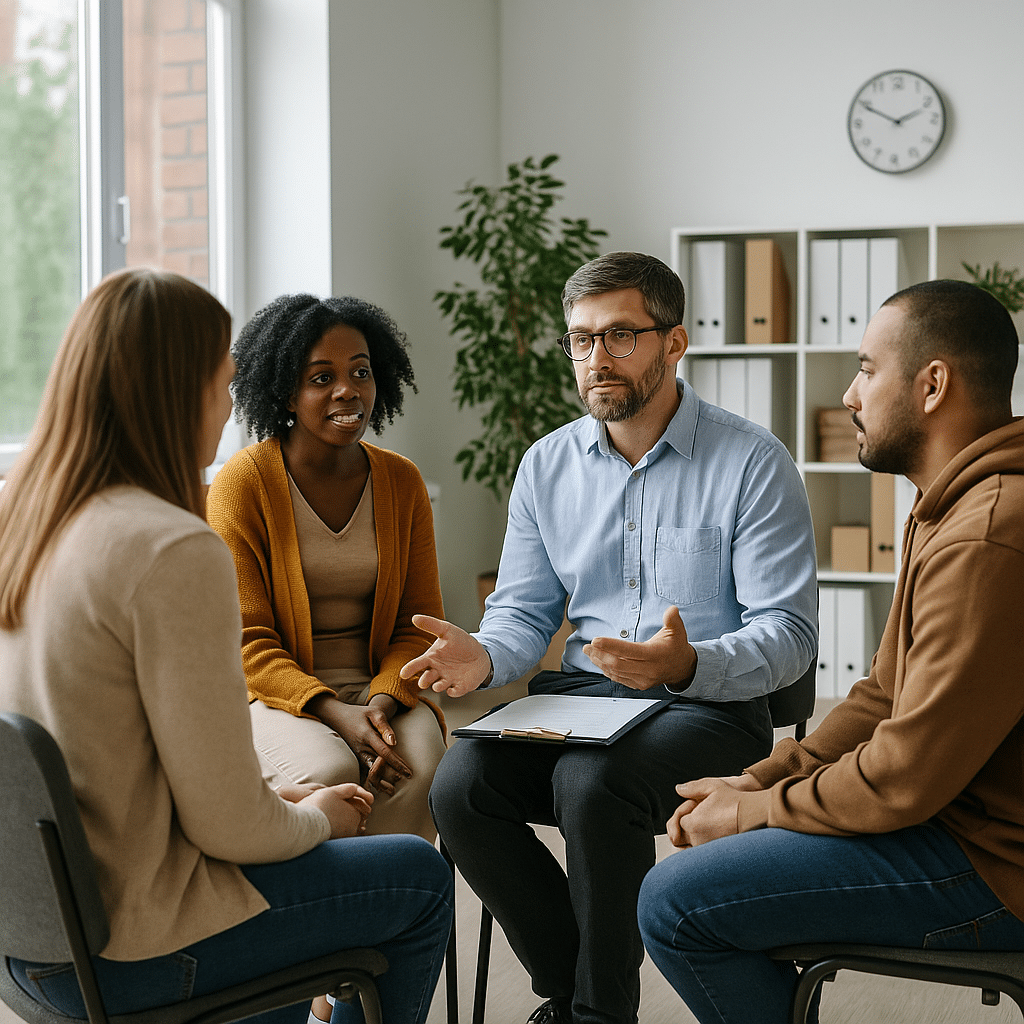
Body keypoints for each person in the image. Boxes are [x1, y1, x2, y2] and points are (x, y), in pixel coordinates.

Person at [0, 268, 453, 1024]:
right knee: (414, 875)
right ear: (183, 390)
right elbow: (228, 829)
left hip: (33, 943)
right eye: (225, 374)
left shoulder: (27, 520)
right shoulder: (170, 549)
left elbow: (146, 767)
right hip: (140, 944)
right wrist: (321, 819)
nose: (232, 393)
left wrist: (286, 801)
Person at [401, 251, 818, 1024]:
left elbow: (790, 637)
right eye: (581, 340)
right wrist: (486, 655)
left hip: (707, 709)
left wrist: (688, 662)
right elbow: (524, 612)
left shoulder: (753, 462)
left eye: (621, 336)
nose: (597, 359)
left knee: (593, 786)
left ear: (674, 342)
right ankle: (574, 993)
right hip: (582, 702)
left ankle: (597, 1013)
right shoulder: (546, 465)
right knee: (460, 785)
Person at [637, 279, 1024, 1024]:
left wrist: (752, 816)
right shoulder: (950, 504)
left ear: (933, 384)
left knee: (677, 901)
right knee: (709, 872)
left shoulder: (988, 532)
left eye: (867, 369)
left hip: (993, 864)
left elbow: (903, 778)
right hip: (960, 822)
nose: (849, 394)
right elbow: (880, 698)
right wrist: (753, 780)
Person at [206, 294, 447, 847]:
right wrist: (336, 714)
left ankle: (392, 921)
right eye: (322, 377)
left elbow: (418, 628)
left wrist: (380, 709)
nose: (348, 390)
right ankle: (336, 917)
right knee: (330, 774)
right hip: (274, 693)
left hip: (380, 689)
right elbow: (244, 641)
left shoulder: (401, 482)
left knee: (428, 774)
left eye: (361, 372)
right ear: (285, 391)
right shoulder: (243, 484)